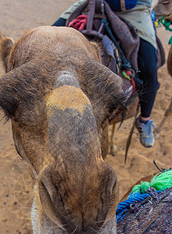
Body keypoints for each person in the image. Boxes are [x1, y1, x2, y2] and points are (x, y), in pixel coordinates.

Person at [52, 0, 159, 148]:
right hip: (95, 1)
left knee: (149, 67)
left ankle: (144, 119)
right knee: (49, 35)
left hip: (134, 9)